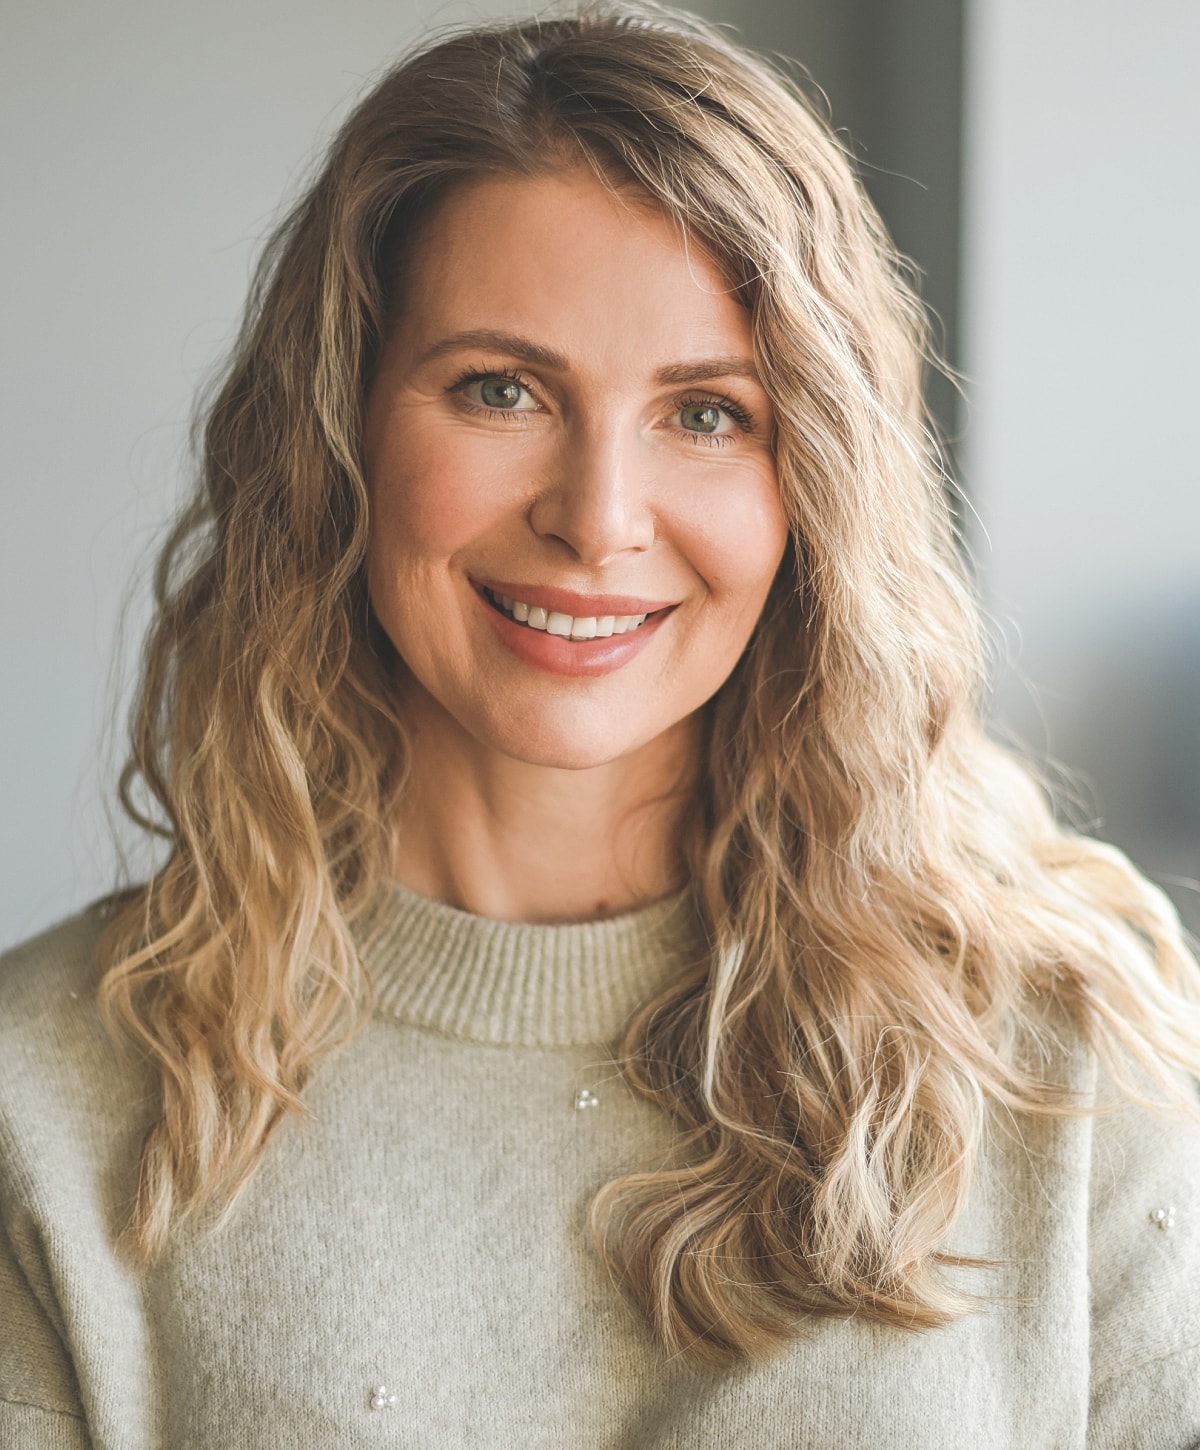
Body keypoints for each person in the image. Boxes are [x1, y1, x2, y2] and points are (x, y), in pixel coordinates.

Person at [2, 6, 1199, 1446]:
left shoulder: (1073, 1050)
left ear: (810, 481)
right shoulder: (47, 1101)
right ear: (342, 438)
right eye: (499, 390)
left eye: (706, 414)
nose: (598, 520)